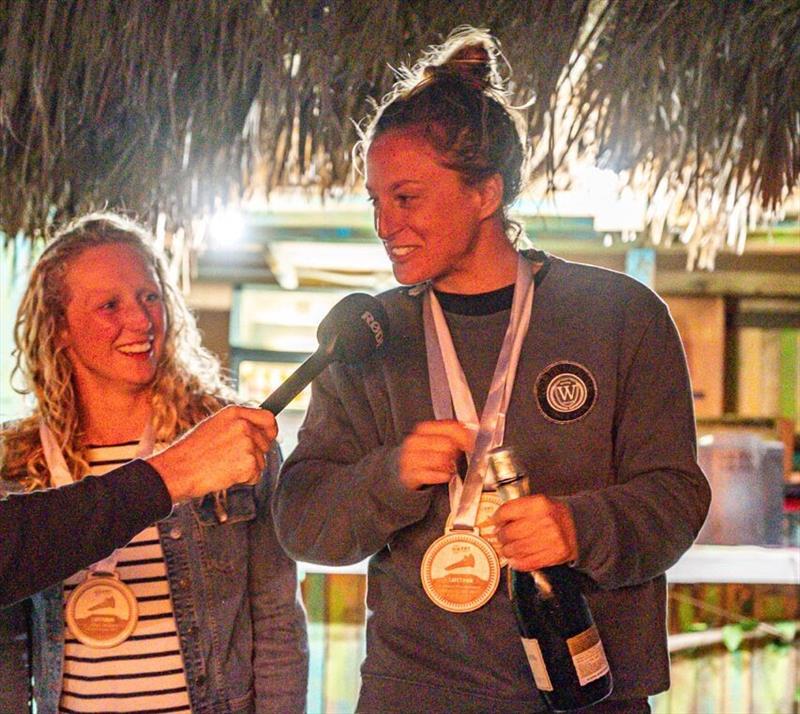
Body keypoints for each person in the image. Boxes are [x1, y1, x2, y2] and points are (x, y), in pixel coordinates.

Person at [273, 26, 711, 714]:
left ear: (485, 194)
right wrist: (390, 475)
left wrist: (579, 528)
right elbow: (302, 524)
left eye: (407, 198)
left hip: (587, 688)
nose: (385, 224)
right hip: (414, 694)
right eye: (376, 200)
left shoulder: (620, 314)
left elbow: (677, 499)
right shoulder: (368, 336)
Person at [0, 212, 308, 713]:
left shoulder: (227, 439)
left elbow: (276, 620)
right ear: (57, 328)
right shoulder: (19, 463)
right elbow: (9, 651)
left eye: (150, 297)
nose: (141, 321)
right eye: (109, 305)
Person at [0, 403, 277, 607]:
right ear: (58, 327)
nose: (139, 321)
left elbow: (274, 609)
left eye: (166, 317)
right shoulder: (14, 451)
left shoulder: (230, 434)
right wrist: (172, 473)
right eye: (107, 317)